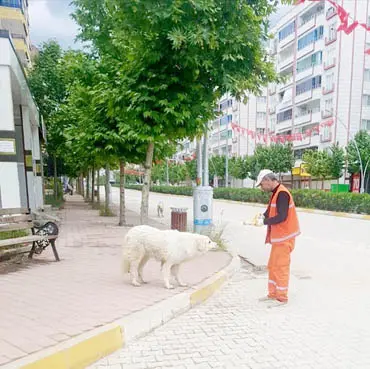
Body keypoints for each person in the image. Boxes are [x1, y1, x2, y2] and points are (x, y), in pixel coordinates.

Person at [253, 169, 300, 306]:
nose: (262, 188)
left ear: (267, 180)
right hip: (279, 239)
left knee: (281, 268)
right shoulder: (276, 192)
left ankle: (281, 298)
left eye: (262, 185)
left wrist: (264, 222)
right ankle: (273, 294)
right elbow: (271, 211)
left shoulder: (282, 194)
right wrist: (263, 216)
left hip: (284, 239)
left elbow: (282, 217)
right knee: (273, 266)